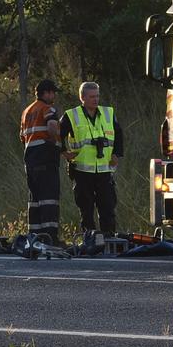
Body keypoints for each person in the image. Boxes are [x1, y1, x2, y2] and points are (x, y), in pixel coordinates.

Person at [61, 81, 123, 239]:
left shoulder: (108, 113)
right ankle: (90, 239)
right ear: (82, 97)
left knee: (107, 206)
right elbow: (58, 135)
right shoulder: (71, 115)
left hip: (104, 170)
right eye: (91, 96)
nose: (95, 100)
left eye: (97, 96)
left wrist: (117, 154)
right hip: (82, 171)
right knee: (86, 207)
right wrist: (64, 152)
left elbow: (119, 135)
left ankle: (108, 238)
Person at [20, 79, 62, 244]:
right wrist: (54, 142)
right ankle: (50, 237)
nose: (54, 96)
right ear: (47, 93)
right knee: (49, 197)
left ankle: (35, 237)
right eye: (52, 92)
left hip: (30, 158)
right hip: (46, 156)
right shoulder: (47, 109)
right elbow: (52, 126)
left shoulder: (27, 111)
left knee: (35, 199)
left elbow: (22, 137)